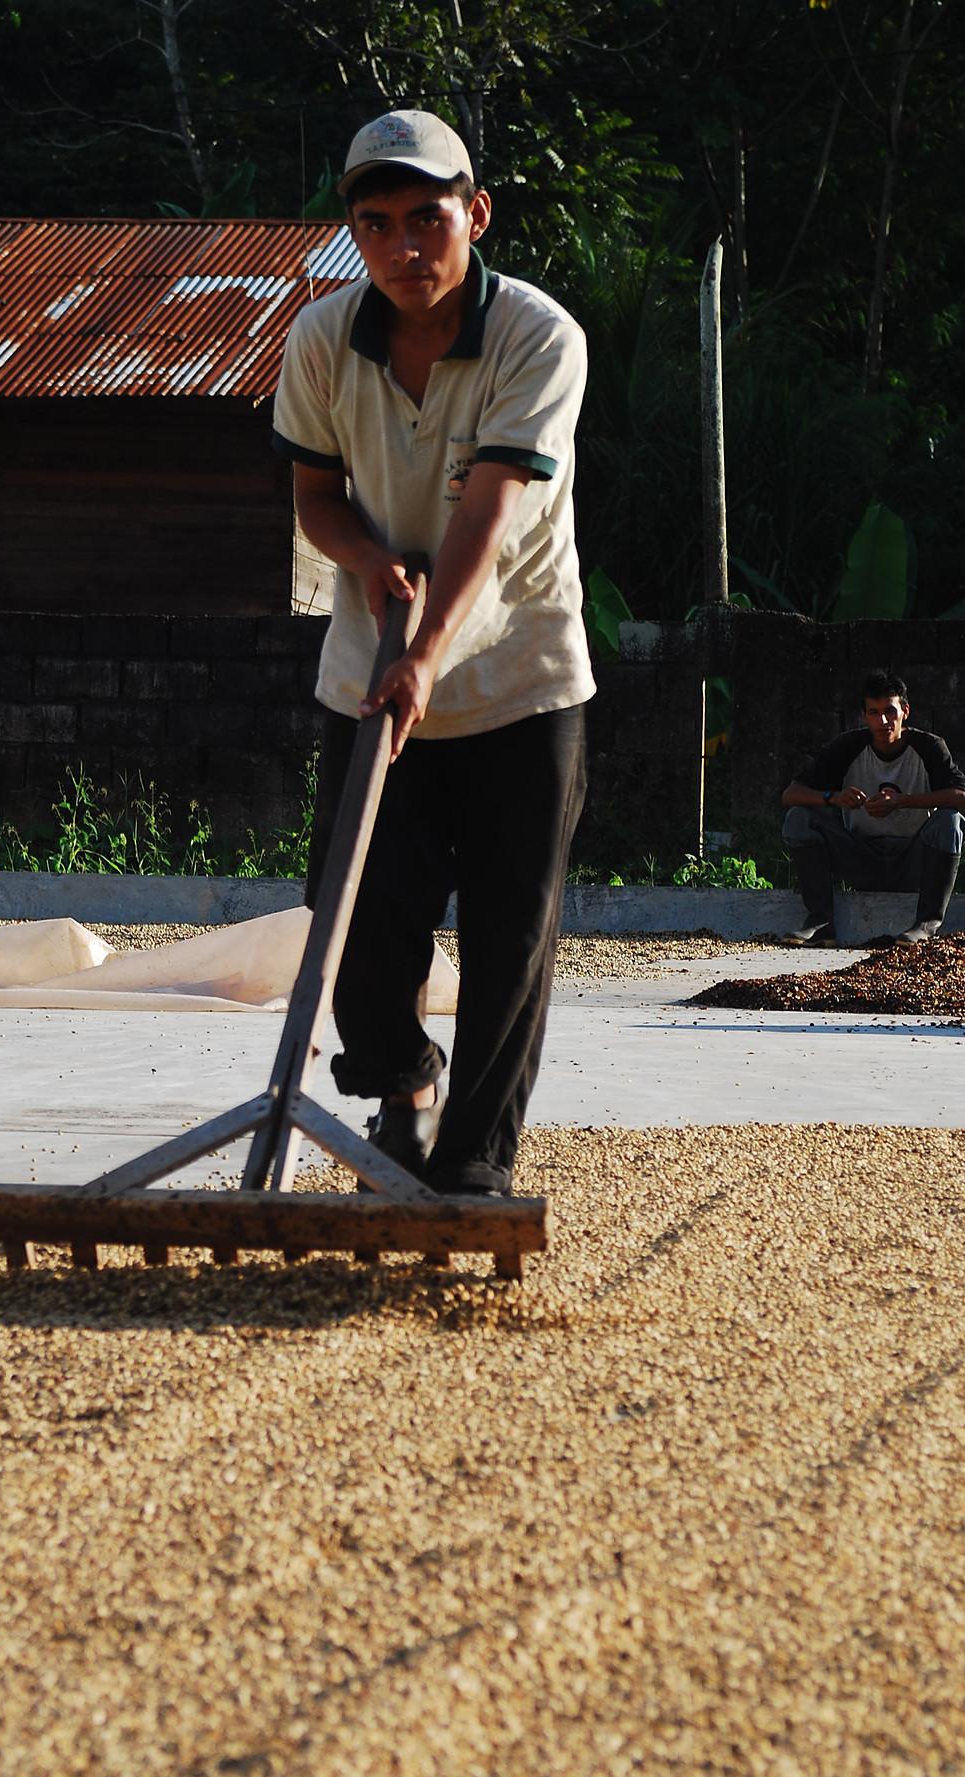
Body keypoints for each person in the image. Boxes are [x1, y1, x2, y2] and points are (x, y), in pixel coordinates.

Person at [271, 109, 594, 1196]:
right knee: (358, 929)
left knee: (510, 939)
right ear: (354, 234)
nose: (405, 248)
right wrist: (365, 560)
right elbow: (316, 495)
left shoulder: (538, 337)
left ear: (476, 214)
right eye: (378, 225)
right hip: (373, 677)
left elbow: (489, 514)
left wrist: (432, 651)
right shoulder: (321, 339)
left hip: (518, 680)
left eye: (427, 219)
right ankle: (403, 1079)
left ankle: (472, 1165)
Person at [780, 672, 965, 946]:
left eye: (890, 711)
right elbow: (790, 795)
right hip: (860, 855)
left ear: (905, 711)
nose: (883, 721)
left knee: (950, 822)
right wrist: (833, 798)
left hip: (912, 859)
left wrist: (901, 801)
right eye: (874, 712)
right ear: (864, 716)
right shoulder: (848, 746)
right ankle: (820, 923)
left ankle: (926, 925)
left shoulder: (929, 746)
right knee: (799, 818)